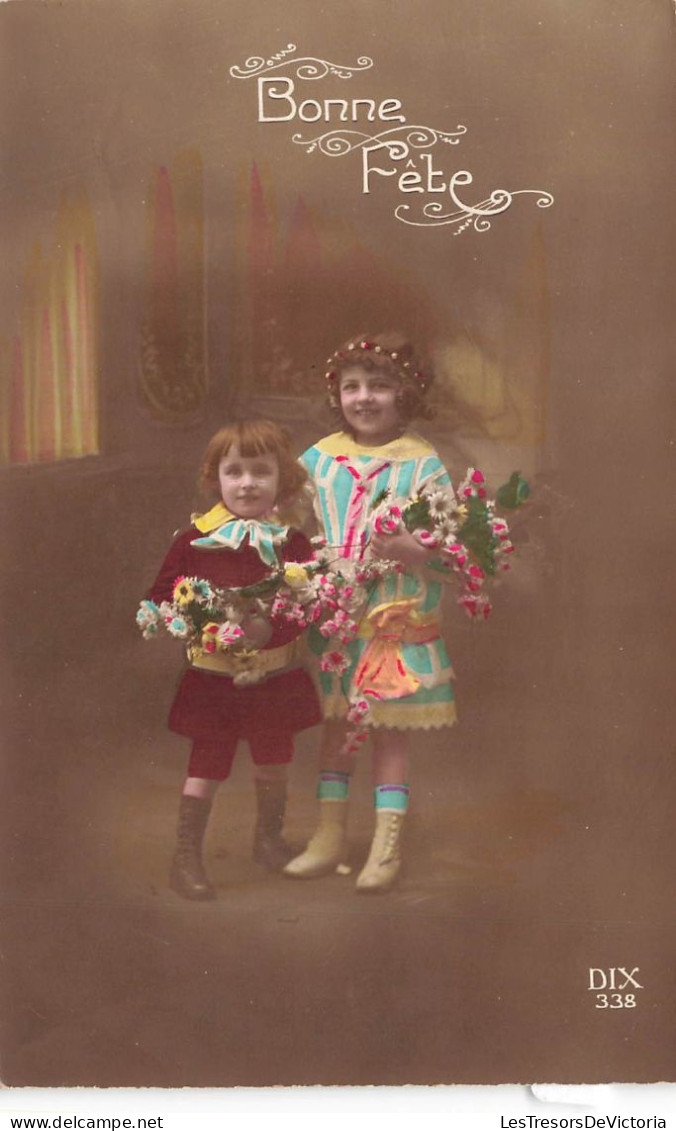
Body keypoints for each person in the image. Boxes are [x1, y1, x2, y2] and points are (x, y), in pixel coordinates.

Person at [284, 334, 457, 893]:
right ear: (336, 394)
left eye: (379, 386)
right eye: (352, 386)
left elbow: (452, 544)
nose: (364, 398)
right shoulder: (318, 458)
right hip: (337, 612)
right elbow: (290, 524)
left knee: (386, 732)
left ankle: (386, 845)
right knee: (337, 725)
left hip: (394, 612)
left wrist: (414, 550)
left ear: (404, 394)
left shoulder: (423, 463)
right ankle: (328, 834)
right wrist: (303, 568)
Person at [144, 420, 321, 901]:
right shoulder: (194, 540)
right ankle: (187, 858)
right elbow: (163, 597)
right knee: (208, 763)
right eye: (234, 471)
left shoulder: (292, 543)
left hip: (274, 675)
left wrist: (272, 629)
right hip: (215, 679)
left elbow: (308, 605)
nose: (246, 483)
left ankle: (268, 840)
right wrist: (203, 624)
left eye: (260, 472)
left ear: (280, 478)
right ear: (215, 477)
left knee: (273, 759)